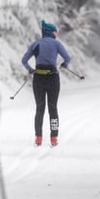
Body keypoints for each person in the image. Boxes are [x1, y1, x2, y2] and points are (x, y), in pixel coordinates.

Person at [20, 19, 71, 147]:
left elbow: (24, 60)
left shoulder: (36, 44)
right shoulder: (56, 44)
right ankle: (54, 138)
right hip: (53, 78)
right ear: (51, 32)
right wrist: (64, 65)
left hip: (38, 79)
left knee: (40, 108)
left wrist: (31, 70)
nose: (56, 34)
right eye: (55, 32)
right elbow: (67, 58)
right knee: (53, 108)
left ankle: (38, 138)